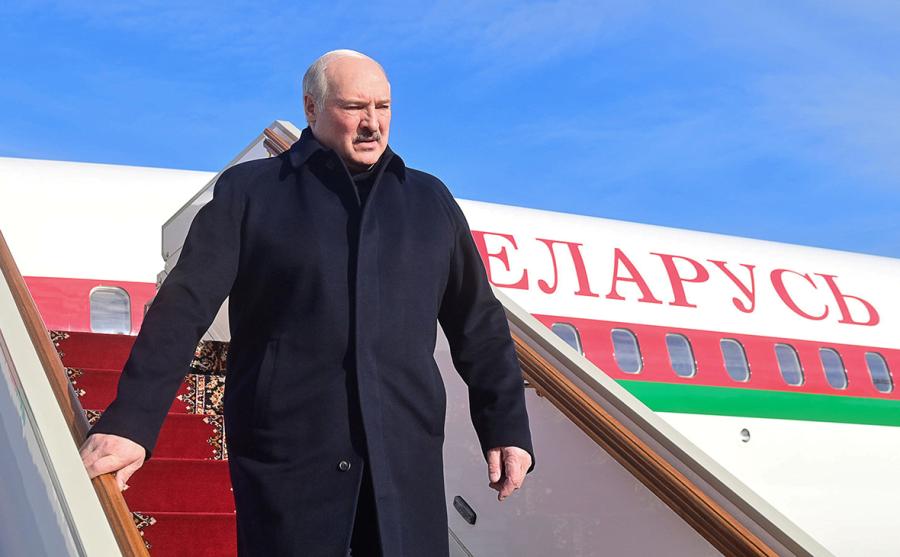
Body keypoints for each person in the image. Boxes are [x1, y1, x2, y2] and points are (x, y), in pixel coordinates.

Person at [80, 49, 535, 556]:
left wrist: (505, 426)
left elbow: (479, 324)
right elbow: (183, 308)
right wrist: (130, 423)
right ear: (311, 107)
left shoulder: (430, 203)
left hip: (405, 460)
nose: (372, 123)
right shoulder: (251, 192)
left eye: (383, 107)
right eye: (354, 107)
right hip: (288, 459)